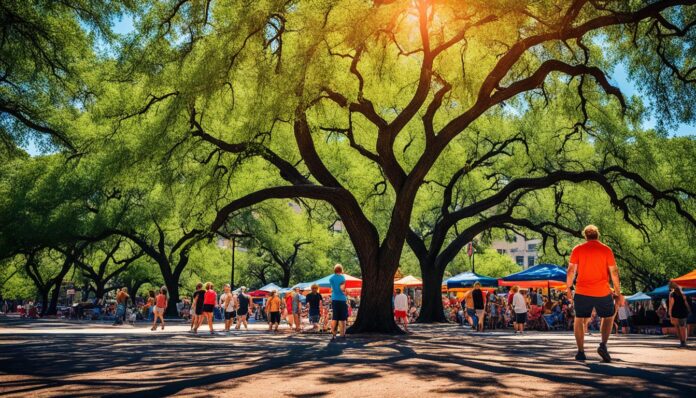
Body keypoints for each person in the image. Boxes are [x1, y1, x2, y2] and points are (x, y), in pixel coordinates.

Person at [566, 225, 623, 362]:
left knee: (579, 319)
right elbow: (614, 272)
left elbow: (571, 271)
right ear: (598, 235)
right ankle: (603, 345)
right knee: (608, 316)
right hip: (602, 291)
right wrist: (617, 292)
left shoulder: (578, 249)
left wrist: (568, 287)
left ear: (585, 236)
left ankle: (580, 351)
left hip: (582, 290)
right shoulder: (606, 250)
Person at [668, 281, 691, 347]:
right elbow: (686, 303)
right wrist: (688, 310)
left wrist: (670, 315)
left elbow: (671, 305)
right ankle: (684, 341)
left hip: (675, 313)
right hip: (683, 312)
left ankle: (682, 342)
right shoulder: (682, 293)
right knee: (683, 327)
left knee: (677, 328)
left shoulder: (672, 294)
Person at [329, 264, 348, 340]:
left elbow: (333, 288)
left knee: (335, 317)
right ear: (341, 270)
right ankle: (342, 334)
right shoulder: (343, 278)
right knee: (342, 318)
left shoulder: (331, 278)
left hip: (334, 299)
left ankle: (333, 334)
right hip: (342, 299)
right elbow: (342, 289)